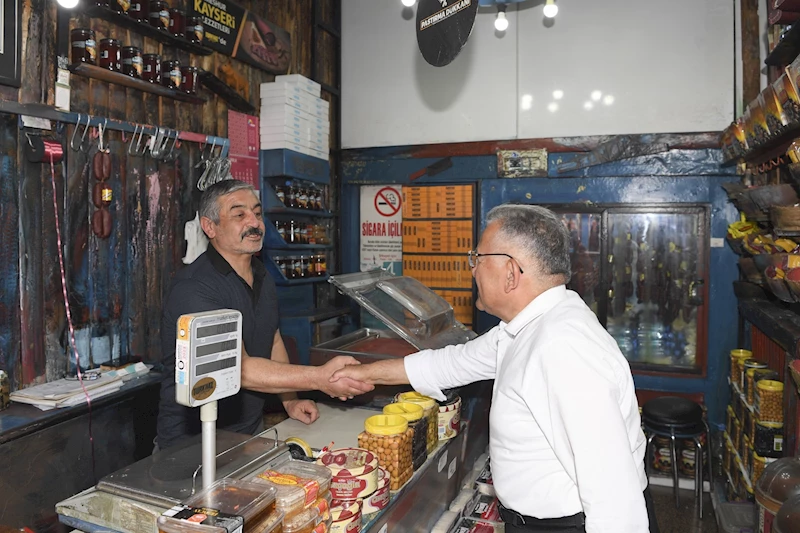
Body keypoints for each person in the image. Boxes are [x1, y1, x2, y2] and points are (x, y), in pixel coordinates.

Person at [331, 204, 658, 533]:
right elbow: (451, 363)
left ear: (511, 272)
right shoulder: (525, 327)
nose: (472, 269)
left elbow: (614, 497)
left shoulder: (561, 347)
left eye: (478, 258)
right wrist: (364, 373)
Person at [156, 179, 372, 451]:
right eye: (239, 214)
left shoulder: (261, 275)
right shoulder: (196, 288)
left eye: (257, 213)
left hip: (248, 434)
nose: (254, 222)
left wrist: (290, 400)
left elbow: (273, 340)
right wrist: (317, 378)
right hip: (193, 445)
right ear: (209, 226)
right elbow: (238, 368)